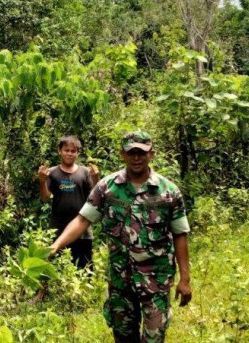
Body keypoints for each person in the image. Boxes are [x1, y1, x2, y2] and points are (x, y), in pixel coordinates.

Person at [49, 131, 191, 343]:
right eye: (131, 152)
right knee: (123, 337)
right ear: (122, 154)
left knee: (154, 338)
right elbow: (83, 220)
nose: (136, 158)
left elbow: (180, 234)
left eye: (142, 153)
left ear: (151, 154)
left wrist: (185, 279)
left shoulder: (168, 191)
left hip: (156, 281)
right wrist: (56, 245)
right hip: (120, 282)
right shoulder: (107, 188)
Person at [38, 135, 100, 269]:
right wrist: (42, 181)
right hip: (58, 230)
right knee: (56, 268)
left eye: (73, 151)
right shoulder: (52, 172)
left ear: (77, 153)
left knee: (84, 270)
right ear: (59, 151)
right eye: (66, 150)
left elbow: (94, 197)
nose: (69, 154)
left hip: (82, 231)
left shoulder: (85, 172)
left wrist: (96, 178)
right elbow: (45, 197)